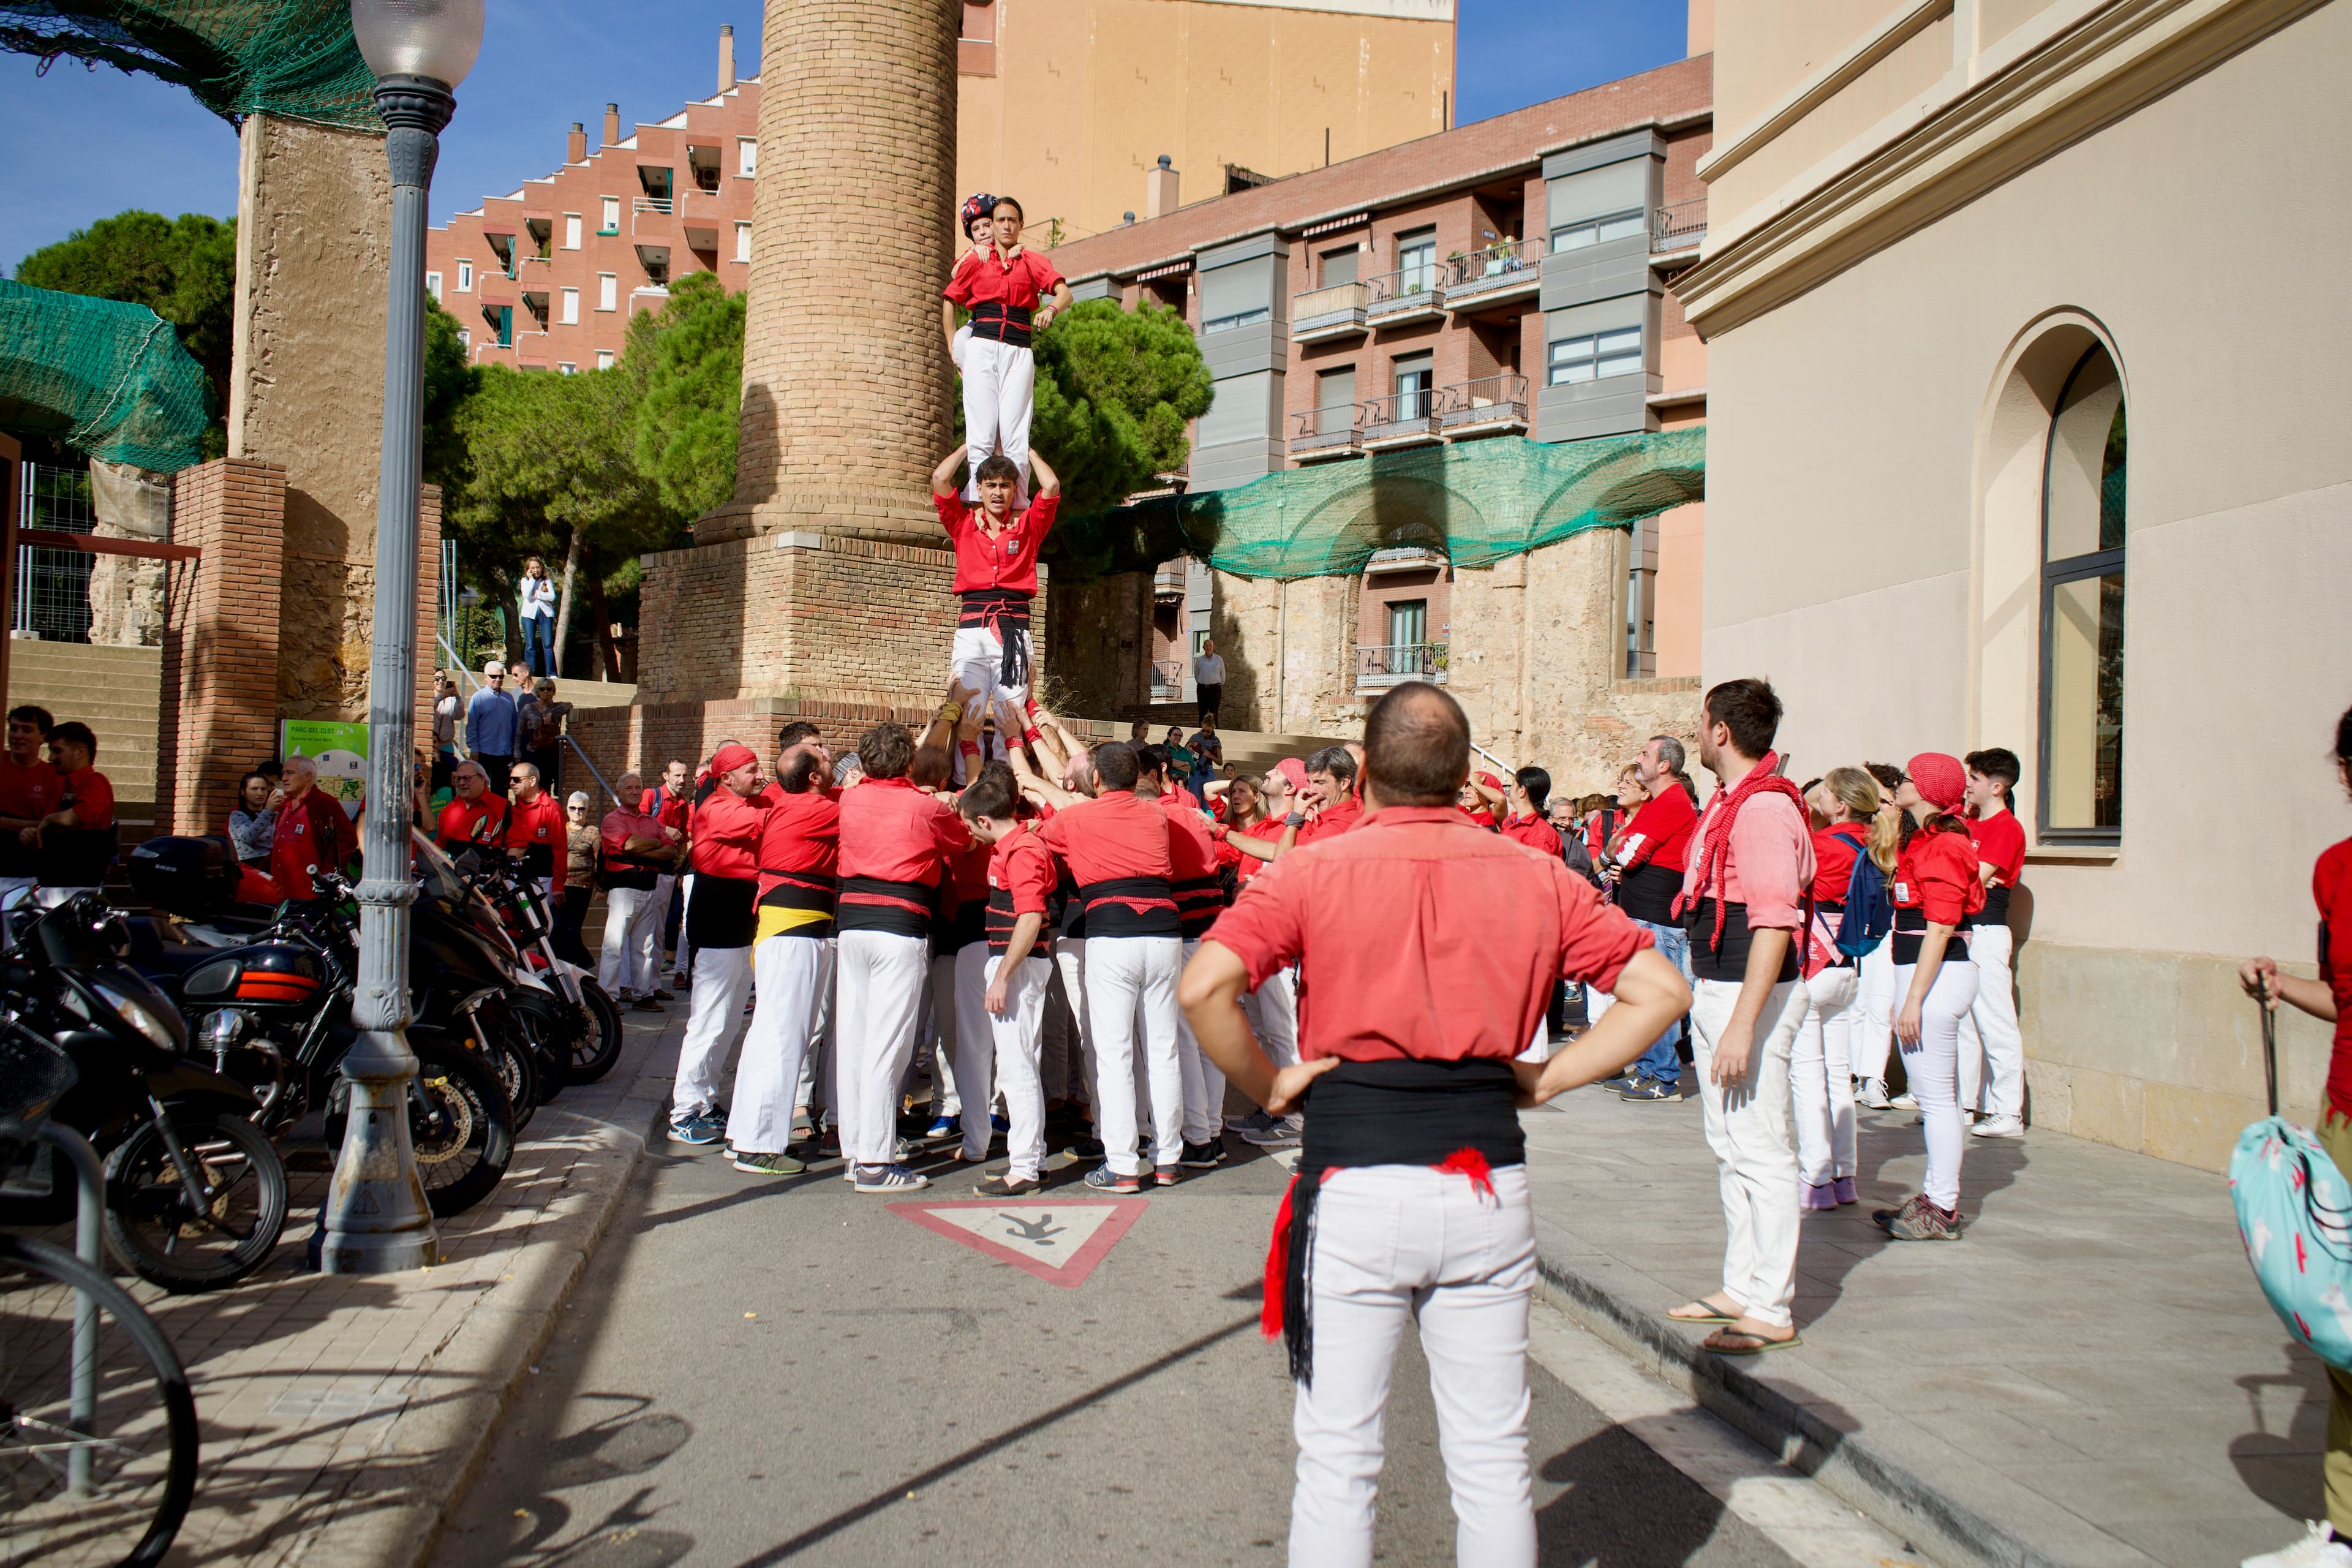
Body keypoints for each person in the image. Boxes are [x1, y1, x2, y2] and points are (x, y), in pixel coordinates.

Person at [1178, 680, 1691, 1568]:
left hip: (1356, 1178)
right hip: (1485, 1178)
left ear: (1367, 769)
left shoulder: (1314, 867)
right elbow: (1661, 991)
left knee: (1340, 1456)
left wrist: (1271, 1084)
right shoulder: (1535, 874)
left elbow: (1203, 988)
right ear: (1461, 776)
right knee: (1492, 1458)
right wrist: (1549, 1075)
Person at [1667, 679, 1814, 1353]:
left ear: (1719, 730)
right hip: (1719, 986)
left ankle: (1771, 1304)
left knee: (1760, 1148)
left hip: (1744, 994)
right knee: (1731, 1147)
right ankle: (1742, 1284)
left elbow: (1775, 923)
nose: (1697, 734)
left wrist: (1742, 1024)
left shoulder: (1760, 812)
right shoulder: (1734, 801)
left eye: (1700, 724)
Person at [2239, 706, 2352, 1568]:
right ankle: (2346, 1530)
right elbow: (2340, 995)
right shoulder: (2335, 872)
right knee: (2344, 1339)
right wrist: (2281, 982)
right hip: (2347, 1117)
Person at [1036, 741, 1185, 1191]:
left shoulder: (1077, 817)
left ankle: (1121, 1164)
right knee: (1162, 1049)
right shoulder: (1157, 813)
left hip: (1113, 931)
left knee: (1114, 1051)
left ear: (1096, 779)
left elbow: (1044, 837)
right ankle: (1167, 1158)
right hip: (1163, 931)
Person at [835, 722, 970, 1193]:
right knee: (888, 1047)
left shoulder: (849, 798)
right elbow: (964, 842)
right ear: (908, 765)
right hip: (898, 927)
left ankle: (856, 1151)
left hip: (852, 925)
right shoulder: (925, 807)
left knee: (854, 1042)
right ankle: (874, 1161)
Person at [1873, 753, 1986, 1242]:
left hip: (1935, 979)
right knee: (1936, 1098)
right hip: (1926, 975)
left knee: (1938, 1101)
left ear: (1930, 789)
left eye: (1909, 778)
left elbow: (1941, 927)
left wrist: (1914, 1000)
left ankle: (1942, 1207)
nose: (1900, 783)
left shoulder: (1944, 845)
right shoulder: (1927, 839)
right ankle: (1936, 1198)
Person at [728, 742, 840, 1177]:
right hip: (794, 932)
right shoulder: (814, 809)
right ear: (813, 777)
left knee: (768, 1037)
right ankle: (758, 1144)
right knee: (782, 1040)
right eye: (826, 758)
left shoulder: (791, 806)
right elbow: (870, 809)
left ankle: (746, 1135)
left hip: (786, 929)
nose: (832, 760)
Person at [955, 766, 1055, 1196]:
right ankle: (1033, 1157)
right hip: (1017, 964)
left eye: (968, 826)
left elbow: (1031, 917)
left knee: (1016, 1069)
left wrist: (1001, 977)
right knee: (1020, 1065)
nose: (968, 836)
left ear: (984, 820)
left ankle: (1025, 1167)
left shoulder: (1022, 851)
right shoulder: (1016, 847)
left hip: (1019, 966)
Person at [1791, 767, 1888, 1209]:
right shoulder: (1873, 845)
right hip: (1849, 968)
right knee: (1837, 1076)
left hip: (1814, 966)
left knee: (1807, 1076)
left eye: (1826, 793)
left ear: (1841, 803)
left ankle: (1814, 1178)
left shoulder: (1824, 845)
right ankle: (1844, 1176)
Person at [930, 444, 1061, 770]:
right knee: (967, 712)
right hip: (972, 630)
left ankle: (1011, 785)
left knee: (1011, 715)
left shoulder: (1029, 525)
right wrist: (971, 445)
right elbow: (940, 478)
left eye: (1005, 485)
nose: (998, 492)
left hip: (1013, 632)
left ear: (1015, 490)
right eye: (991, 485)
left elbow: (1052, 486)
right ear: (979, 489)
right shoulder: (962, 523)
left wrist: (1026, 449)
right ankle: (965, 784)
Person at [940, 194, 1072, 502]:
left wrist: (1051, 310)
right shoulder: (976, 258)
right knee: (982, 429)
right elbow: (950, 299)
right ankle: (976, 495)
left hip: (1019, 348)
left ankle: (1020, 500)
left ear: (1021, 224)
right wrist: (951, 347)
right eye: (1000, 220)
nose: (1005, 225)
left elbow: (1064, 293)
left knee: (1015, 432)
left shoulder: (1031, 260)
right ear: (993, 225)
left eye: (1012, 220)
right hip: (982, 345)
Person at [670, 744, 770, 1147]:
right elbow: (769, 820)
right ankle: (683, 1112)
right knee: (709, 1022)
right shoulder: (717, 807)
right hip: (718, 913)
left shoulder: (736, 800)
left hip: (740, 914)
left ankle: (707, 1099)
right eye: (751, 770)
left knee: (728, 1021)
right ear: (727, 778)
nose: (759, 775)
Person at [1604, 736, 1700, 1102]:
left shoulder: (1673, 801)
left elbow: (1627, 854)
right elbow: (1618, 844)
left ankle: (1662, 1077)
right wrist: (1622, 845)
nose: (1638, 758)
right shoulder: (1659, 803)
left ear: (1664, 765)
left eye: (1645, 754)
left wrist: (1622, 846)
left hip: (1657, 919)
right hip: (1642, 916)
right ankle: (1647, 1070)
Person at [1959, 747, 2028, 1139]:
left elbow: (1973, 880)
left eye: (1976, 778)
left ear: (1997, 787)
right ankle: (1966, 1104)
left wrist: (1964, 876)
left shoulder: (2006, 828)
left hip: (1986, 932)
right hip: (1965, 929)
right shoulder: (1967, 824)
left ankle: (2008, 1113)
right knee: (1966, 1023)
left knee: (1996, 1021)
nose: (1968, 784)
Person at [1855, 761, 1909, 1110]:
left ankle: (1874, 1079)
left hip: (1892, 930)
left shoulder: (1909, 842)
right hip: (1862, 928)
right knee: (1857, 1003)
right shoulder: (1864, 838)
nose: (1876, 811)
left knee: (1880, 1005)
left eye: (1884, 803)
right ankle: (1857, 1076)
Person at [598, 772, 678, 1009]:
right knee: (614, 945)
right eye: (629, 788)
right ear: (620, 792)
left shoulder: (651, 821)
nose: (634, 791)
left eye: (638, 787)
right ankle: (608, 996)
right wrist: (654, 845)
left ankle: (643, 995)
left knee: (645, 946)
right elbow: (628, 844)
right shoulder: (613, 819)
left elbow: (672, 849)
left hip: (649, 888)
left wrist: (643, 849)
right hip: (624, 889)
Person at [24, 721, 118, 897]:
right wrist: (32, 834)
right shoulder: (60, 784)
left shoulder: (96, 783)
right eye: (51, 751)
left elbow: (80, 815)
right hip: (51, 884)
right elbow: (50, 826)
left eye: (57, 751)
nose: (51, 758)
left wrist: (48, 821)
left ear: (80, 752)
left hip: (77, 889)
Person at [644, 759, 692, 994]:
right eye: (677, 776)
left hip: (667, 873)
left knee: (659, 931)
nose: (682, 781)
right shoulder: (652, 796)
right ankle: (637, 985)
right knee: (645, 932)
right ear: (665, 776)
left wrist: (680, 870)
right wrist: (663, 829)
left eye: (684, 776)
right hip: (645, 872)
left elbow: (682, 841)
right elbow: (638, 823)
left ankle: (652, 985)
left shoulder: (682, 804)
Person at [505, 762, 567, 902]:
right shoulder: (512, 810)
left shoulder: (551, 808)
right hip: (516, 878)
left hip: (543, 879)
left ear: (532, 780)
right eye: (510, 779)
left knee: (542, 920)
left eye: (517, 780)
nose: (512, 784)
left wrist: (558, 885)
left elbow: (560, 849)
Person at [554, 791, 598, 964]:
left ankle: (585, 961)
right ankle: (564, 962)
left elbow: (598, 858)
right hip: (560, 885)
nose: (577, 812)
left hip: (581, 887)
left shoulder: (592, 832)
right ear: (567, 809)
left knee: (572, 928)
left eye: (581, 808)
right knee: (558, 927)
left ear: (587, 810)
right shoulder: (560, 828)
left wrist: (599, 886)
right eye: (573, 808)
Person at [465, 660, 519, 794]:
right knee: (481, 790)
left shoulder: (509, 698)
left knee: (501, 792)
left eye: (501, 677)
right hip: (484, 752)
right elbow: (472, 726)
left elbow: (514, 725)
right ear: (486, 677)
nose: (498, 680)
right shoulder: (478, 698)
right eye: (494, 676)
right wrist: (474, 748)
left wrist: (513, 750)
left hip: (504, 753)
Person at [435, 759, 509, 853]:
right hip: (452, 865)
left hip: (487, 865)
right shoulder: (448, 810)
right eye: (458, 779)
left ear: (482, 779)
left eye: (466, 778)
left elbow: (516, 846)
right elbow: (440, 844)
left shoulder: (502, 807)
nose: (461, 783)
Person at [1499, 766, 1562, 858]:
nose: (1509, 789)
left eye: (1512, 785)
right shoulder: (1510, 821)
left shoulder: (1541, 835)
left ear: (1522, 791)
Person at [524, 678, 570, 797]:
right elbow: (519, 731)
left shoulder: (556, 707)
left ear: (553, 691)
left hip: (550, 751)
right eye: (542, 689)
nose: (545, 691)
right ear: (537, 691)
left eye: (549, 689)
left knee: (546, 785)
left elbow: (569, 705)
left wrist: (553, 713)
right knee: (531, 784)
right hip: (533, 750)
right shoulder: (529, 708)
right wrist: (517, 753)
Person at [226, 771, 279, 870]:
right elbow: (248, 837)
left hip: (273, 863)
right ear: (243, 792)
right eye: (254, 789)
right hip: (249, 866)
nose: (260, 793)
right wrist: (268, 810)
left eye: (263, 789)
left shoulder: (275, 815)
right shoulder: (237, 816)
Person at [519, 557, 557, 677]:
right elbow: (526, 594)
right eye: (533, 568)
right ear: (528, 570)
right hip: (529, 614)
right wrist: (531, 581)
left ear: (542, 568)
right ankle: (530, 672)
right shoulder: (525, 581)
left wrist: (536, 593)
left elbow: (552, 597)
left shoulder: (547, 581)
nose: (536, 570)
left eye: (538, 567)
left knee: (548, 644)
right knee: (530, 644)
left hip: (546, 614)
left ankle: (551, 673)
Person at [431, 672, 461, 791]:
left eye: (444, 678)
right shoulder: (429, 697)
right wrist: (440, 697)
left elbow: (459, 715)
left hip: (447, 743)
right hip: (433, 743)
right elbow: (428, 709)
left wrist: (458, 698)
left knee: (451, 770)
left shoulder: (451, 700)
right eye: (437, 678)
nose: (441, 681)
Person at [1193, 639, 1226, 726]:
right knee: (1202, 712)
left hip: (1215, 689)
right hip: (1202, 689)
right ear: (1203, 647)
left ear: (1213, 647)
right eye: (1206, 646)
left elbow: (1223, 674)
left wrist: (1218, 684)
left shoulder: (1219, 659)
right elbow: (1196, 674)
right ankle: (1201, 732)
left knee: (1214, 712)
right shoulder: (1200, 660)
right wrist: (1203, 682)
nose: (1208, 648)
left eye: (1210, 646)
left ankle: (1214, 732)